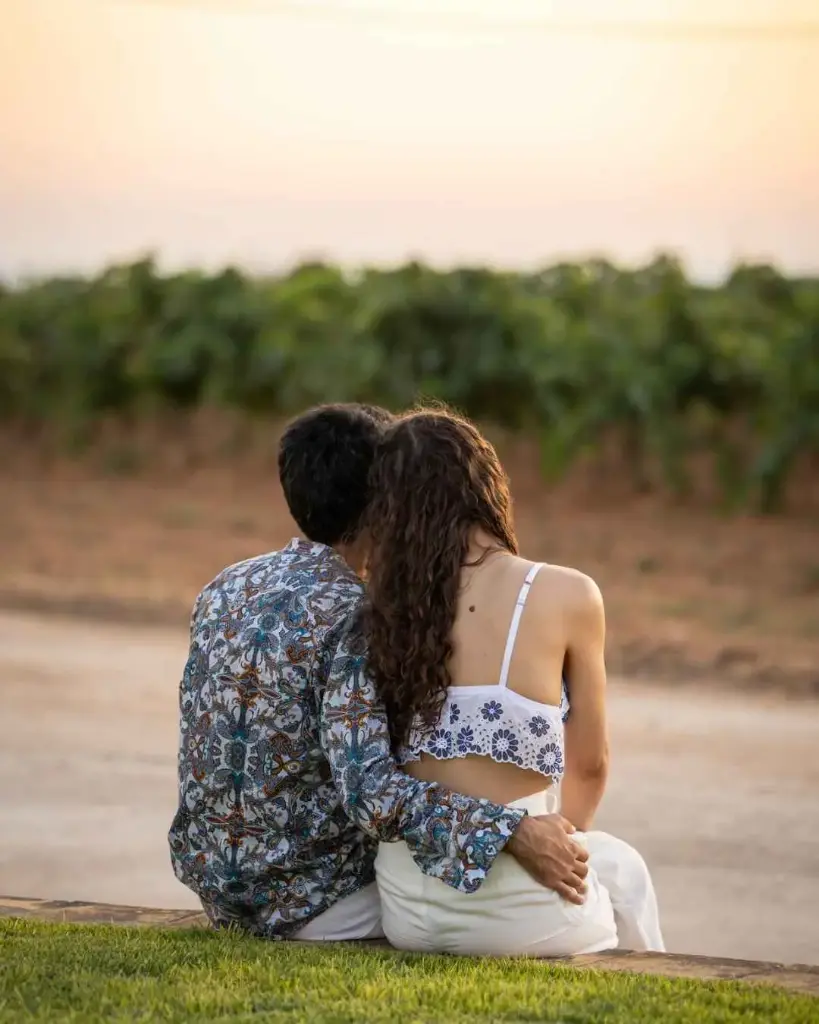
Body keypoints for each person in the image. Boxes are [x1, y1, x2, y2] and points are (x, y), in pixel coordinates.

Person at [168, 403, 591, 941]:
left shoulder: (226, 586)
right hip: (317, 905)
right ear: (382, 503)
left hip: (221, 895)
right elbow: (373, 795)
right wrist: (510, 830)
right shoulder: (355, 616)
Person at [327, 406, 665, 956]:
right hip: (518, 914)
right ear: (486, 484)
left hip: (407, 909)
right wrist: (557, 849)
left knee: (620, 866)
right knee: (623, 872)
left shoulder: (377, 611)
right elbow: (590, 765)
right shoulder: (567, 594)